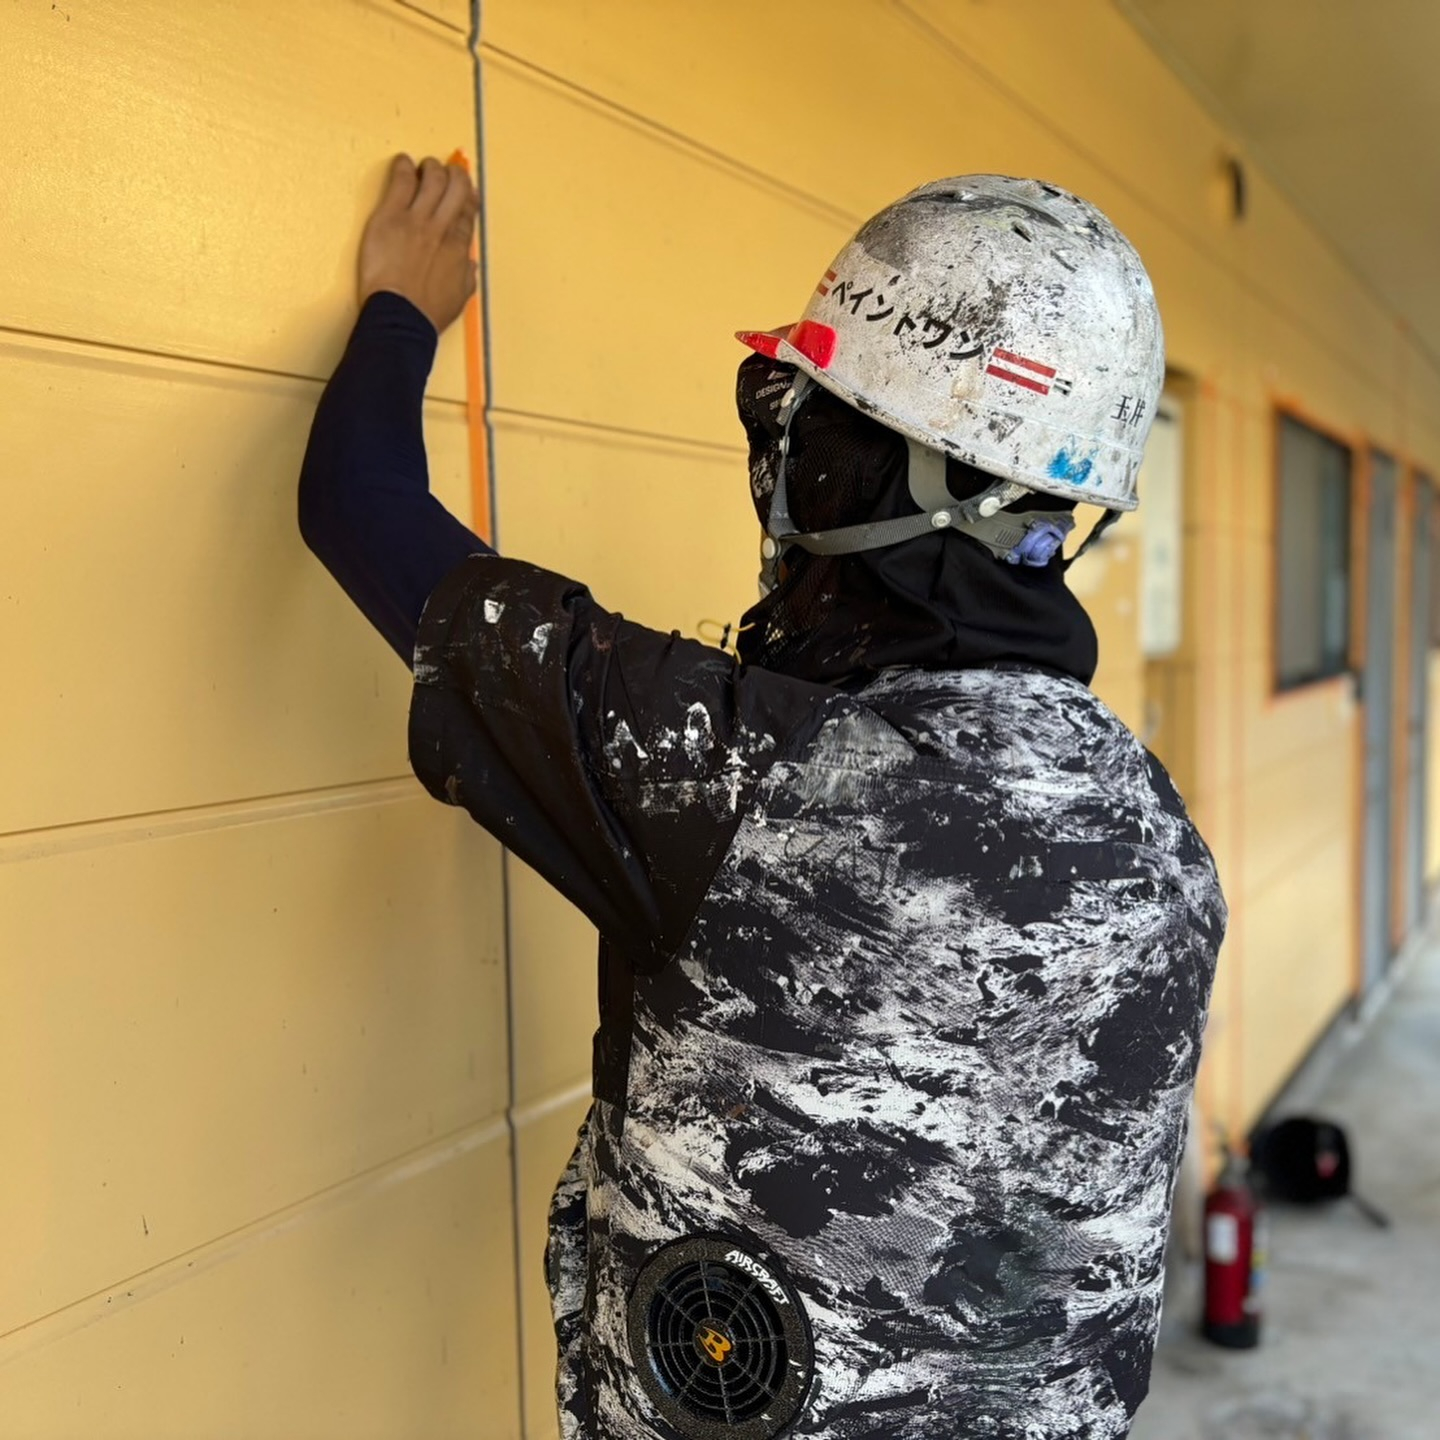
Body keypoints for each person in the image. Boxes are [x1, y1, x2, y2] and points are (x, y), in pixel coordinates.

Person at [300, 154, 1226, 1440]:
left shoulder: (754, 780)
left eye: (805, 430)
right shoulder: (1158, 838)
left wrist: (401, 308)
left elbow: (360, 506)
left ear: (876, 474)